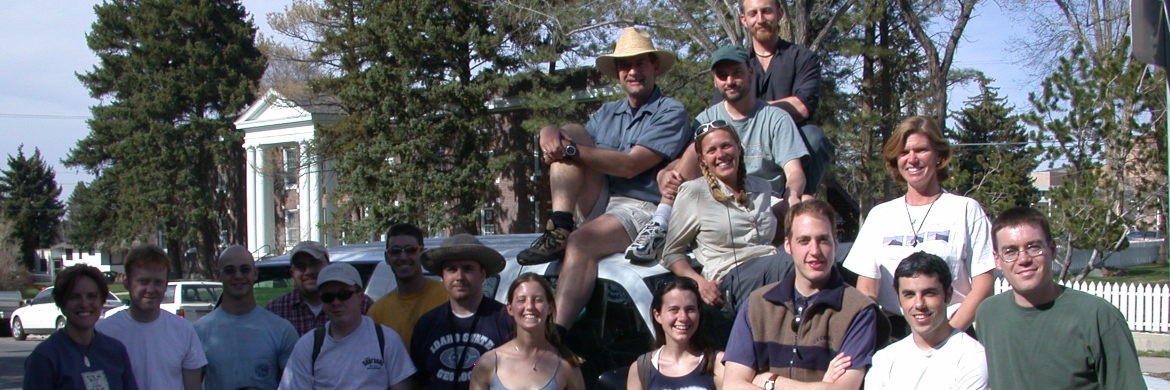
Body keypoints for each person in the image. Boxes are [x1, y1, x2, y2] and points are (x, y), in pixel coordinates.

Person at [513, 26, 691, 331]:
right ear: (618, 73)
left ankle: (558, 333)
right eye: (625, 65)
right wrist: (549, 132)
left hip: (642, 208)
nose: (632, 71)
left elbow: (631, 166)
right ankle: (560, 225)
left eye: (640, 63)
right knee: (573, 129)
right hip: (604, 199)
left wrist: (565, 148)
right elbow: (574, 146)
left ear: (655, 67)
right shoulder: (607, 112)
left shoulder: (670, 111)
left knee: (581, 243)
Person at [626, 44, 809, 265]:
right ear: (715, 81)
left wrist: (793, 195)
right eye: (722, 76)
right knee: (697, 145)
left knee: (806, 204)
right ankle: (660, 224)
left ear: (750, 72)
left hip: (762, 200)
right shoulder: (705, 118)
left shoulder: (776, 118)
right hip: (717, 197)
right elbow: (687, 160)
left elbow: (794, 171)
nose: (730, 81)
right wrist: (664, 172)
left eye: (736, 73)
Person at [842, 116, 994, 337]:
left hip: (952, 331)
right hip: (895, 335)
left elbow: (983, 284)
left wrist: (948, 334)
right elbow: (866, 289)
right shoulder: (879, 216)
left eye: (921, 150)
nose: (912, 159)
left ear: (938, 156)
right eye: (903, 153)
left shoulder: (965, 210)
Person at [975, 206, 1146, 389]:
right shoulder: (989, 314)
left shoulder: (1097, 317)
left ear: (1052, 249)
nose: (1023, 259)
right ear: (997, 260)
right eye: (1010, 251)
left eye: (1033, 247)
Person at [723, 200, 886, 390]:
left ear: (835, 243)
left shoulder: (859, 310)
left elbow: (843, 389)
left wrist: (770, 382)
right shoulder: (757, 304)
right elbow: (732, 385)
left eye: (823, 240)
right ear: (788, 245)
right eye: (804, 241)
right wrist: (820, 386)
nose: (814, 251)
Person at [658, 119, 790, 320]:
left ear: (739, 148)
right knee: (797, 263)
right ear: (702, 159)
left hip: (770, 269)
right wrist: (699, 283)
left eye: (726, 146)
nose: (721, 155)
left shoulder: (762, 187)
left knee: (840, 255)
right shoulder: (694, 192)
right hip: (732, 278)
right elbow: (671, 253)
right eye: (711, 150)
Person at [735, 0, 832, 195]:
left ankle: (799, 202)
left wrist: (748, 107)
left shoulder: (803, 58)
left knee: (814, 137)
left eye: (766, 12)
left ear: (779, 13)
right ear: (744, 20)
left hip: (790, 140)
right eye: (753, 14)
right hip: (744, 141)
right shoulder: (735, 64)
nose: (760, 19)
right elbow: (722, 112)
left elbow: (802, 107)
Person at [864, 252, 988, 390]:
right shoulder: (885, 359)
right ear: (899, 299)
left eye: (929, 293)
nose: (919, 304)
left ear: (948, 295)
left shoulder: (972, 357)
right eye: (909, 295)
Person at [280, 263, 415, 389]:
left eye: (344, 295)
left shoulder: (387, 340)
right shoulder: (308, 345)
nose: (336, 302)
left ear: (360, 296)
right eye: (328, 297)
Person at [97, 244, 206, 390]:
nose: (150, 289)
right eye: (143, 281)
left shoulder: (184, 331)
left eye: (158, 282)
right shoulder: (104, 333)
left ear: (166, 284)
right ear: (127, 282)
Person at [412, 234, 514, 390]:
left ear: (483, 274)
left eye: (468, 268)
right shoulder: (427, 324)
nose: (459, 277)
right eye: (451, 269)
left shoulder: (505, 320)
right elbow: (420, 382)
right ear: (442, 276)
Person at [195, 245, 299, 390]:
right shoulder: (199, 331)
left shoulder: (281, 330)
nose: (238, 276)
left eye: (245, 269)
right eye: (229, 270)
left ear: (255, 273)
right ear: (218, 275)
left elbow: (293, 385)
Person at [24, 264, 137, 390]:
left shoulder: (116, 351)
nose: (84, 304)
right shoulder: (45, 357)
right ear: (61, 302)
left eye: (91, 296)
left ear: (102, 300)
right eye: (74, 297)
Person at [469, 273, 585, 390]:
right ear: (510, 308)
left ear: (549, 307)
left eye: (538, 300)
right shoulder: (488, 363)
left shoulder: (566, 364)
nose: (529, 306)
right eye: (521, 300)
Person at [626, 277, 725, 390]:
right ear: (657, 315)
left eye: (690, 309)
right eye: (674, 310)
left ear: (699, 313)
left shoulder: (718, 363)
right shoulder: (641, 369)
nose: (683, 317)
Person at [266, 240, 375, 335]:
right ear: (292, 272)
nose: (308, 271)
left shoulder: (363, 305)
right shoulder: (275, 311)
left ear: (329, 265)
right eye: (300, 266)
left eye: (315, 264)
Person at [369, 223, 449, 347]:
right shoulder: (377, 313)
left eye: (410, 250)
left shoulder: (447, 297)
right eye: (395, 251)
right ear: (387, 257)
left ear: (422, 253)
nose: (403, 257)